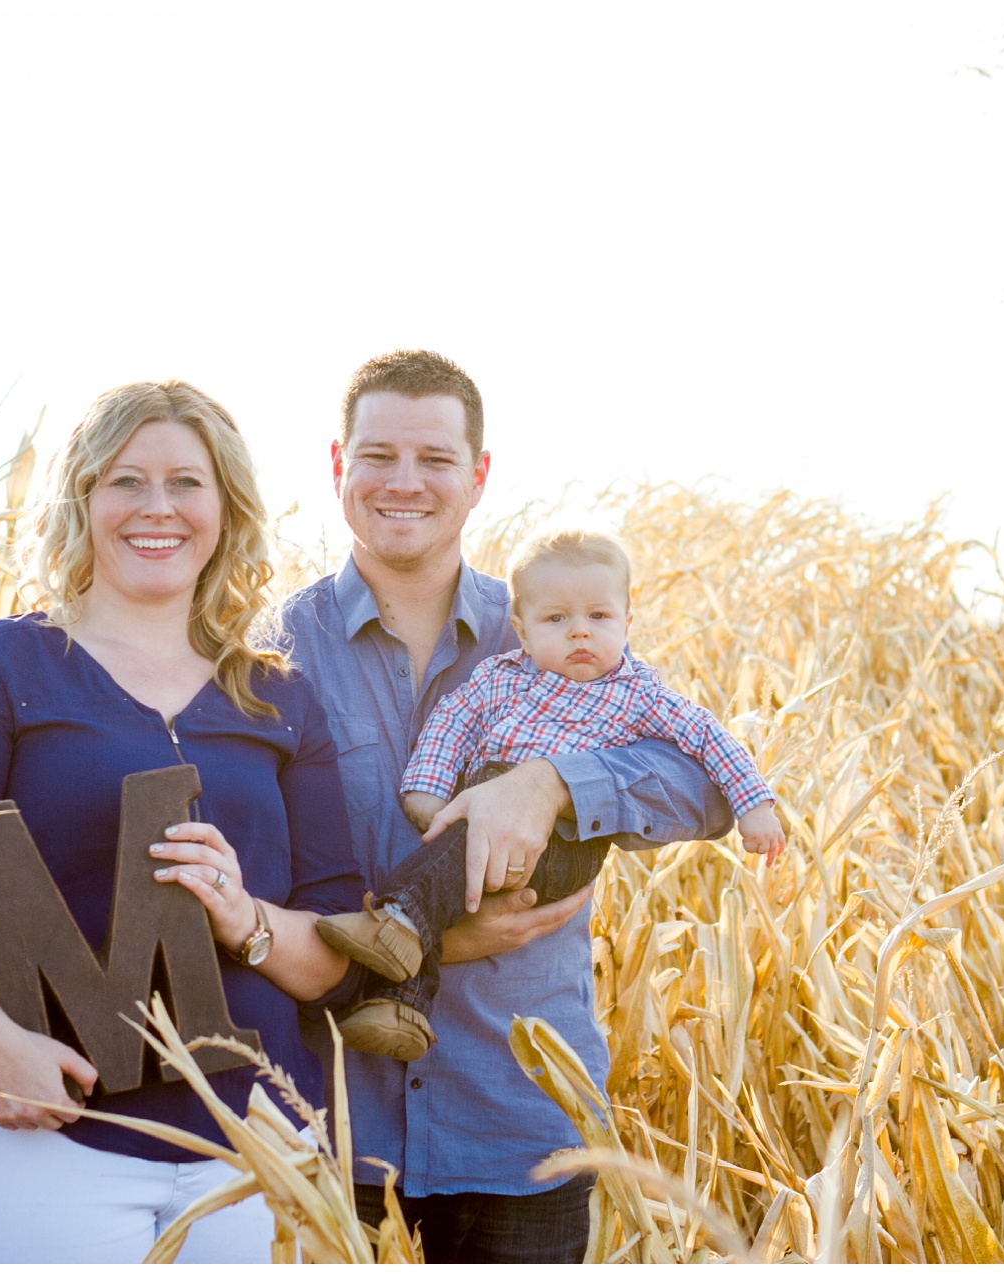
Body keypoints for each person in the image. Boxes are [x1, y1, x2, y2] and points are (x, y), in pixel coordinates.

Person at [0, 381, 366, 1263]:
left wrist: (243, 918)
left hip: (250, 1154)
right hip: (34, 1137)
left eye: (185, 483)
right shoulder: (1, 668)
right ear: (83, 501)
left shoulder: (280, 700)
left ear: (226, 507)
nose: (156, 508)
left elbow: (328, 955)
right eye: (126, 481)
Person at [277, 350, 736, 1263]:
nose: (405, 483)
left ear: (478, 476)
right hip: (327, 1119)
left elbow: (708, 783)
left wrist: (554, 781)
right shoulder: (277, 649)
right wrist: (434, 939)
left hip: (519, 1113)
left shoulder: (556, 622)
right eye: (378, 456)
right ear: (338, 467)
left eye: (436, 460)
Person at [317, 524, 785, 1059]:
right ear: (521, 628)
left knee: (464, 833)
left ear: (628, 622)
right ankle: (401, 1007)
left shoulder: (637, 692)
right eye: (557, 620)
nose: (580, 633)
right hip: (476, 829)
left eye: (599, 617)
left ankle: (395, 919)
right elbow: (452, 722)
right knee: (455, 855)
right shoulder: (499, 679)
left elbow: (705, 740)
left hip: (560, 851)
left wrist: (755, 805)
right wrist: (427, 791)